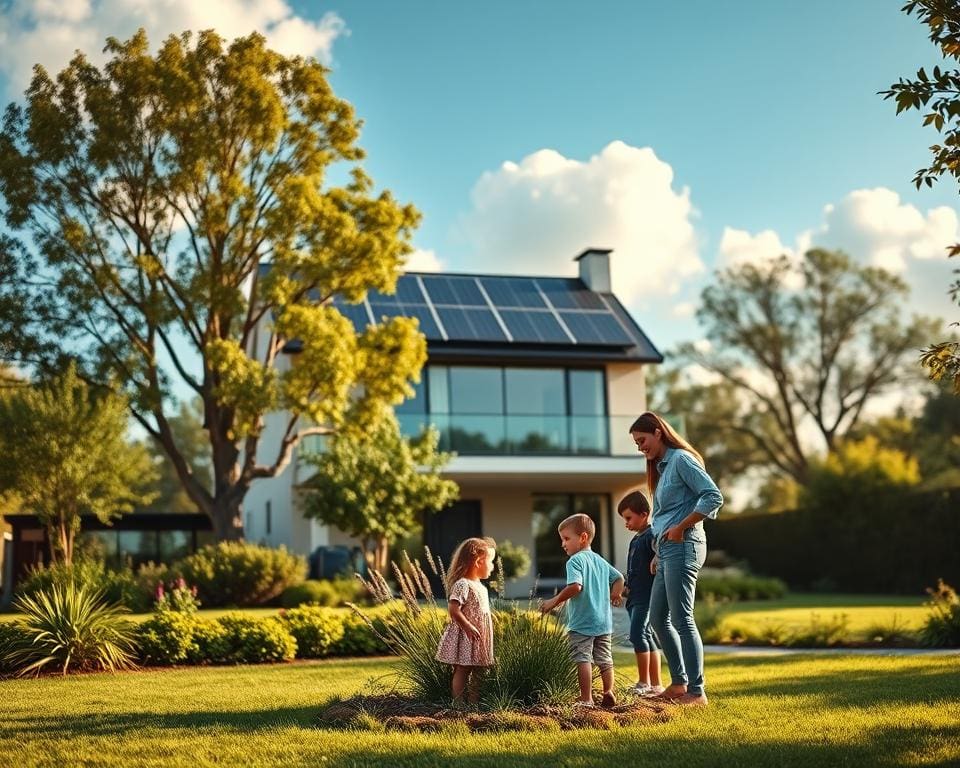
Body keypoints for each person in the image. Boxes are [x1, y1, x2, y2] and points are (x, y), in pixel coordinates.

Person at [630, 411, 723, 707]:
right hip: (668, 550)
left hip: (685, 545)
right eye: (636, 443)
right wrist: (658, 552)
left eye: (642, 440)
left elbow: (712, 496)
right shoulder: (661, 468)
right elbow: (662, 517)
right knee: (657, 618)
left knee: (682, 619)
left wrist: (681, 528)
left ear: (658, 432)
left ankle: (697, 692)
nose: (640, 447)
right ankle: (680, 683)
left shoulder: (681, 459)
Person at [539, 513, 624, 709]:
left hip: (582, 623)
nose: (563, 544)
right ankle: (607, 691)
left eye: (566, 538)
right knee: (605, 658)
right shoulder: (600, 561)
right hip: (603, 622)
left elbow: (576, 586)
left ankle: (586, 698)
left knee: (582, 658)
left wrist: (554, 601)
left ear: (583, 537)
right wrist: (616, 594)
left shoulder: (575, 561)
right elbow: (619, 577)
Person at [435, 536, 497, 703]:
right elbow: (453, 609)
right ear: (478, 562)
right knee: (463, 669)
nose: (492, 566)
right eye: (490, 562)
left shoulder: (480, 587)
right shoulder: (463, 584)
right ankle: (459, 704)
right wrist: (468, 626)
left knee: (480, 670)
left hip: (479, 637)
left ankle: (474, 704)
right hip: (466, 636)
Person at [617, 490, 664, 697]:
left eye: (629, 517)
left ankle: (644, 682)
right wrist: (625, 588)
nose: (626, 523)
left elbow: (662, 549)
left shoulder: (651, 535)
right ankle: (656, 684)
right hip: (635, 596)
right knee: (646, 635)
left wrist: (657, 556)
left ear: (644, 514)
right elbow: (634, 569)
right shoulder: (635, 540)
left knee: (637, 634)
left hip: (647, 596)